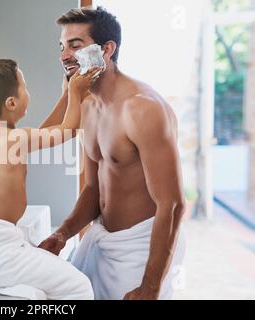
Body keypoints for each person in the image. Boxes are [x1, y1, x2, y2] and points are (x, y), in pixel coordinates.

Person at [39, 6, 186, 300]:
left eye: (75, 46)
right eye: (62, 46)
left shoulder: (143, 109)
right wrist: (62, 234)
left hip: (140, 253)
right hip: (102, 242)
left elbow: (172, 205)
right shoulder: (88, 105)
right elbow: (93, 189)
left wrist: (150, 288)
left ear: (107, 49)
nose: (64, 56)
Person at [0, 58, 101, 299]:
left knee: (41, 289)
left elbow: (43, 133)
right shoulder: (14, 139)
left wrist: (65, 97)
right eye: (25, 87)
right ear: (11, 102)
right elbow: (69, 130)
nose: (28, 92)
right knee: (79, 287)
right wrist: (76, 91)